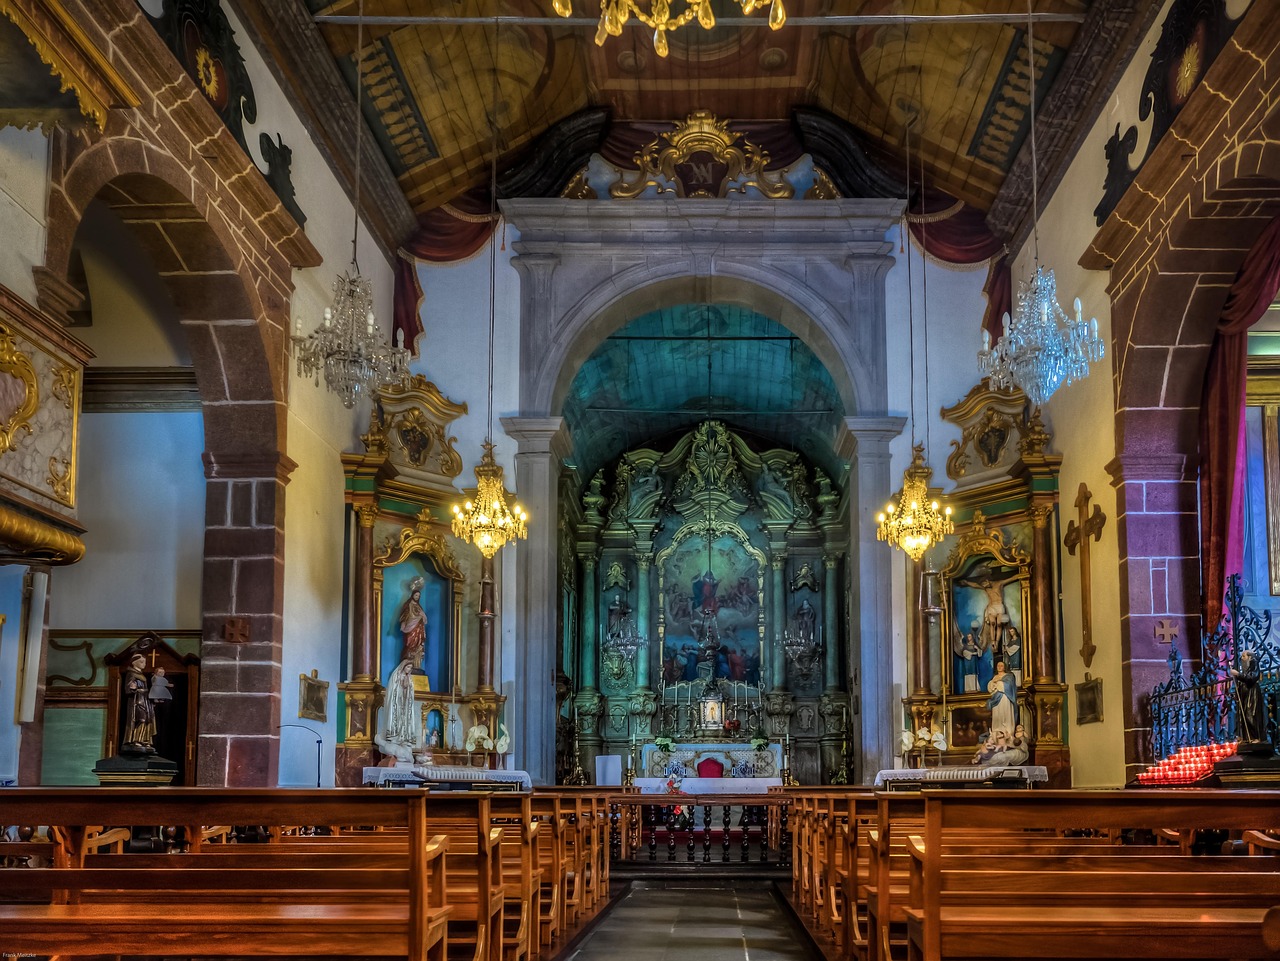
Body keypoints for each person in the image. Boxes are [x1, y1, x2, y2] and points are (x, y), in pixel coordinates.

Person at [957, 567, 1021, 652]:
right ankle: (993, 642)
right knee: (992, 623)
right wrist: (967, 582)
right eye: (983, 586)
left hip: (999, 606)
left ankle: (997, 642)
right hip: (991, 607)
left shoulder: (999, 583)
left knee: (999, 624)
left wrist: (1020, 575)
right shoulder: (985, 587)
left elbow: (1011, 578)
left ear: (988, 580)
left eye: (984, 584)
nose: (984, 587)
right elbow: (976, 585)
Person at [375, 657, 421, 763]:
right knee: (397, 721)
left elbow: (411, 692)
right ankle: (395, 739)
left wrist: (408, 688)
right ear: (403, 666)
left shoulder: (409, 678)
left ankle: (403, 739)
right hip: (397, 705)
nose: (409, 669)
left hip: (405, 705)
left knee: (405, 723)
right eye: (408, 667)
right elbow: (393, 690)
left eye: (411, 668)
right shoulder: (396, 676)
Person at [1233, 648, 1271, 749]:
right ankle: (1247, 737)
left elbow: (1251, 678)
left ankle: (1256, 737)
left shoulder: (1254, 665)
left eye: (1244, 656)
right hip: (1245, 695)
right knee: (1245, 715)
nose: (1242, 658)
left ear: (1250, 657)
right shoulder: (1246, 669)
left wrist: (1238, 675)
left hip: (1252, 694)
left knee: (1251, 715)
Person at [122, 653, 157, 754]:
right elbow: (128, 688)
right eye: (141, 662)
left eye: (145, 662)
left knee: (148, 720)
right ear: (134, 662)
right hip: (137, 700)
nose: (144, 664)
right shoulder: (131, 673)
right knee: (140, 719)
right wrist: (132, 688)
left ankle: (145, 740)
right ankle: (136, 740)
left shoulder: (142, 675)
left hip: (145, 699)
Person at [398, 577, 427, 673]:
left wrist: (422, 617)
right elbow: (404, 615)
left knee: (418, 646)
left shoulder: (419, 607)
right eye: (416, 595)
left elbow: (424, 618)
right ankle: (407, 665)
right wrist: (403, 624)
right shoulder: (408, 604)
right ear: (412, 595)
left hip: (419, 629)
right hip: (410, 629)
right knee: (409, 644)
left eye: (419, 596)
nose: (417, 597)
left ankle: (416, 665)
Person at [986, 660, 1017, 741]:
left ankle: (1008, 732)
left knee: (1005, 713)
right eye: (998, 665)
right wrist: (993, 684)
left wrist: (999, 683)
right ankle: (997, 732)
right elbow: (990, 688)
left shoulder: (1009, 676)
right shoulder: (994, 676)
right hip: (996, 700)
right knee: (997, 714)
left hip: (1005, 697)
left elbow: (1009, 686)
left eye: (1001, 665)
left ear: (1005, 667)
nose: (999, 667)